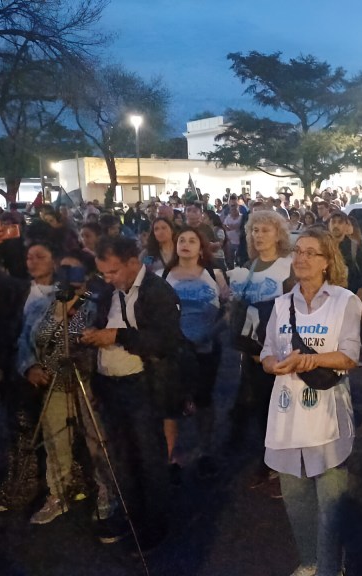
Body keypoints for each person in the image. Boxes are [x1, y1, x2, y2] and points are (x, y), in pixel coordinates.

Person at [261, 228, 361, 576]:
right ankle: (309, 561)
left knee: (330, 502)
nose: (301, 258)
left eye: (311, 253)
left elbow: (350, 356)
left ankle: (333, 566)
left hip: (326, 413)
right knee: (297, 500)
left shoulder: (345, 301)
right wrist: (276, 364)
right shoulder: (282, 303)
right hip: (287, 414)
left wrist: (312, 360)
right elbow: (267, 353)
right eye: (298, 251)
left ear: (327, 261)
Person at [81, 236, 183, 550]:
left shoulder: (157, 291)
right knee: (122, 455)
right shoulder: (106, 292)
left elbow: (165, 342)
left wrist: (118, 335)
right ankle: (132, 514)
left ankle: (154, 524)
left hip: (141, 385)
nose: (108, 279)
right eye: (103, 273)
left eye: (112, 272)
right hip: (109, 384)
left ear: (132, 262)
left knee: (148, 456)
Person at [16, 252, 114, 526]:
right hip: (53, 382)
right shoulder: (46, 304)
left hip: (86, 382)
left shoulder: (96, 306)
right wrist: (29, 367)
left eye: (75, 269)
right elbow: (27, 338)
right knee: (55, 441)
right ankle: (58, 494)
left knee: (98, 441)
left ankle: (107, 492)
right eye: (65, 269)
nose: (69, 275)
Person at [226, 210, 296, 483]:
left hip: (278, 347)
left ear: (278, 234)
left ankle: (281, 459)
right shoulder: (249, 265)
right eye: (255, 230)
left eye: (265, 230)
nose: (258, 235)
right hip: (252, 348)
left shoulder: (287, 266)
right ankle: (269, 457)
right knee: (261, 404)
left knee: (279, 403)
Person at [162, 227, 230, 481]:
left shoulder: (214, 274)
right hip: (175, 350)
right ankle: (170, 456)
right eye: (182, 240)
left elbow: (228, 310)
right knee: (171, 404)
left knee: (203, 400)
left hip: (206, 347)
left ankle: (204, 451)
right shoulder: (164, 274)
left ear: (201, 248)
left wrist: (213, 331)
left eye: (192, 240)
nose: (186, 244)